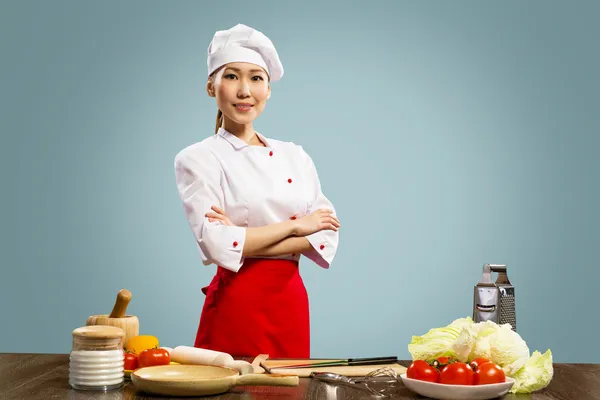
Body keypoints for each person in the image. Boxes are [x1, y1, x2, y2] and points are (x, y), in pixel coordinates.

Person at [174, 23, 340, 358]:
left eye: (256, 78)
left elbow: (325, 234)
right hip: (237, 302)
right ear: (211, 86)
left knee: (291, 391)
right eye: (232, 76)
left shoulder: (295, 155)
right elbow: (215, 243)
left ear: (268, 89)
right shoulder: (197, 158)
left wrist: (243, 235)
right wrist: (296, 227)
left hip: (290, 300)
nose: (244, 90)